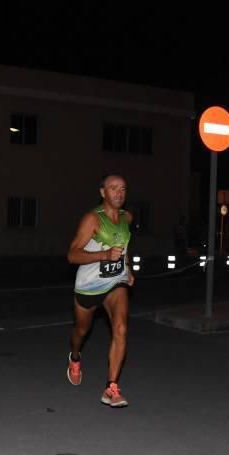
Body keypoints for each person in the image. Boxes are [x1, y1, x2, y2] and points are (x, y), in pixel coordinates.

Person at [66, 174, 135, 408]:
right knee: (81, 331)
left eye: (123, 189)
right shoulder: (92, 220)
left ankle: (111, 387)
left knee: (121, 328)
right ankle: (74, 358)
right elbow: (72, 255)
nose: (119, 193)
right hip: (89, 285)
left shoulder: (127, 217)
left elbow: (124, 246)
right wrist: (104, 255)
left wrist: (128, 268)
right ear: (102, 192)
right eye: (113, 188)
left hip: (116, 282)